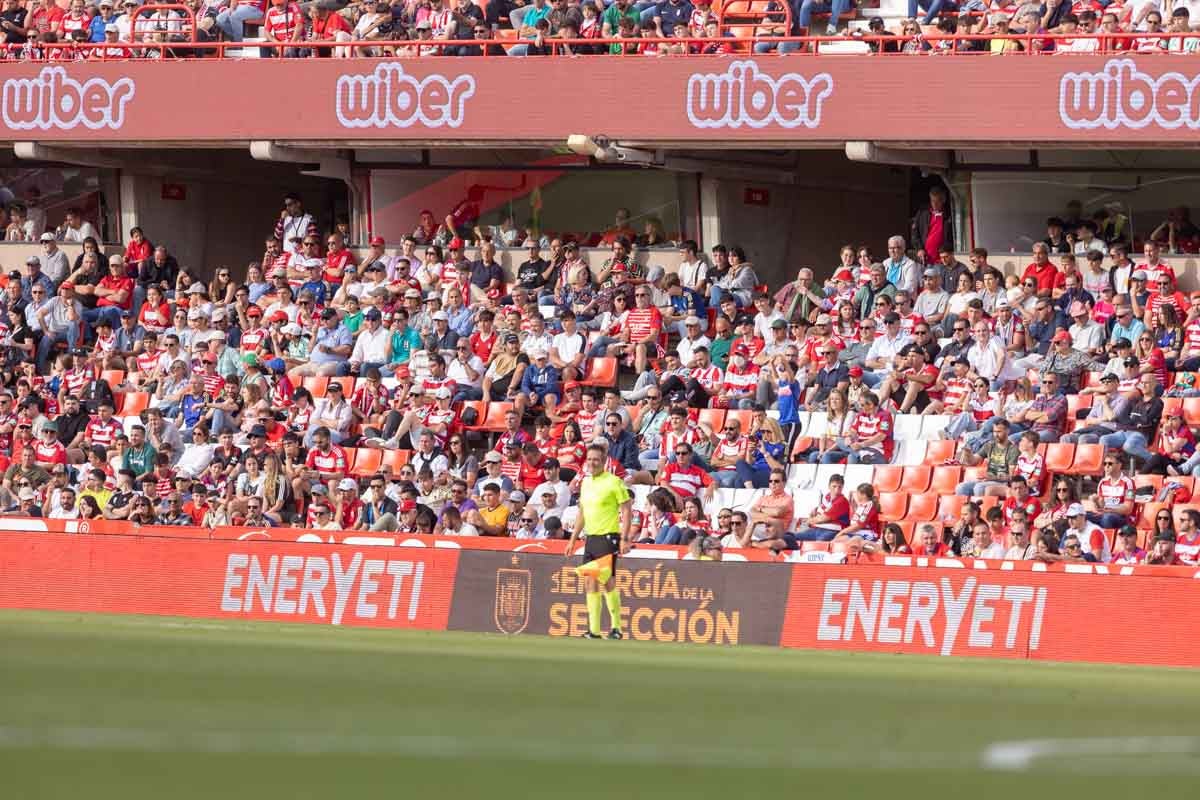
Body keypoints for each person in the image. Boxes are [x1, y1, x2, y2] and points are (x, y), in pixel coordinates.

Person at [565, 443, 632, 640]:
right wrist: (572, 539)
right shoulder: (585, 483)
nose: (592, 462)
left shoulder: (614, 482)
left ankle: (616, 627)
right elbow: (582, 512)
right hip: (591, 538)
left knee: (606, 581)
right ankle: (594, 630)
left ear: (603, 462)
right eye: (590, 459)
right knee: (590, 582)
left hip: (608, 536)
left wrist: (625, 538)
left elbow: (627, 510)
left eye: (596, 459)